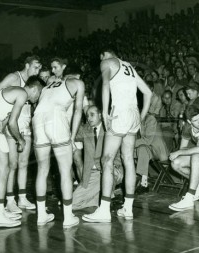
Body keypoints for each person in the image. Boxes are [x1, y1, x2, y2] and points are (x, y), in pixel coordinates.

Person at [82, 47, 152, 223]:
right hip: (133, 113)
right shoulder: (129, 66)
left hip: (119, 112)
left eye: (101, 56)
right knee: (128, 159)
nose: (100, 60)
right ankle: (127, 208)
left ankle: (104, 210)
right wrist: (141, 117)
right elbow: (148, 93)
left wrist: (105, 112)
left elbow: (105, 85)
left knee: (107, 160)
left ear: (105, 54)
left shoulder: (107, 62)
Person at [0, 76, 44, 227]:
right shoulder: (22, 93)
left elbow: (6, 119)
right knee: (3, 169)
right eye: (38, 94)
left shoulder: (12, 91)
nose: (37, 98)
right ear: (34, 88)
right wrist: (21, 140)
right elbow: (13, 122)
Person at [33, 57, 85, 229]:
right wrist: (71, 136)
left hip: (38, 119)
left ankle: (41, 215)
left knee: (42, 170)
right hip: (56, 118)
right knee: (64, 170)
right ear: (76, 74)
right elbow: (78, 111)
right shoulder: (77, 82)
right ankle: (68, 217)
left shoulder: (50, 84)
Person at [0, 55, 42, 214]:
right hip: (11, 127)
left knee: (24, 163)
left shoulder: (34, 84)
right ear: (27, 65)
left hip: (26, 127)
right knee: (12, 164)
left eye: (39, 68)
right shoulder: (14, 77)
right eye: (35, 67)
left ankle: (22, 198)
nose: (37, 71)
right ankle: (10, 201)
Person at [72, 105, 123, 210]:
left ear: (100, 115)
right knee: (71, 204)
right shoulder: (85, 129)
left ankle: (105, 198)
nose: (89, 118)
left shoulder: (109, 128)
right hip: (91, 174)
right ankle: (102, 200)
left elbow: (118, 151)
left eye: (92, 115)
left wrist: (115, 166)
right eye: (87, 116)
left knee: (69, 204)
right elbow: (72, 136)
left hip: (109, 170)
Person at [168, 105, 199, 211]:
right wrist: (183, 151)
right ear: (189, 121)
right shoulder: (187, 127)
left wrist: (179, 152)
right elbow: (183, 147)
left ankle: (189, 197)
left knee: (196, 156)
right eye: (195, 120)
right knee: (175, 163)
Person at [135, 113, 169, 194]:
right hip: (146, 149)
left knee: (141, 149)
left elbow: (147, 140)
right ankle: (141, 182)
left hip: (157, 150)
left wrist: (127, 144)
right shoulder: (133, 120)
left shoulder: (150, 119)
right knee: (139, 150)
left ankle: (142, 182)